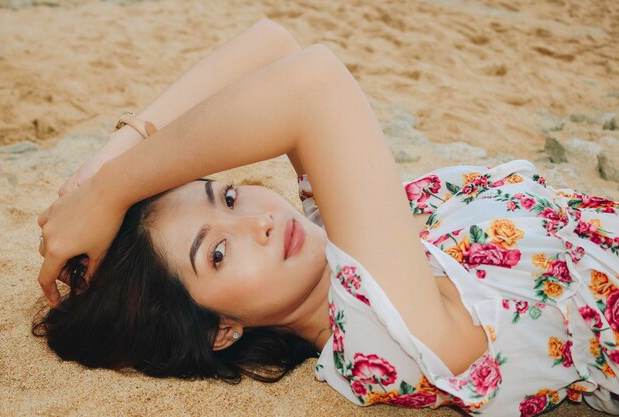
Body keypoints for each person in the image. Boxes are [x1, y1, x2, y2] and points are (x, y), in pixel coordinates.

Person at [32, 18, 619, 416]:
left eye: (230, 198)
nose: (258, 221)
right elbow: (311, 84)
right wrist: (110, 192)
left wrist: (111, 158)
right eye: (216, 252)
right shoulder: (378, 337)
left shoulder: (334, 230)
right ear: (221, 330)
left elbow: (272, 45)